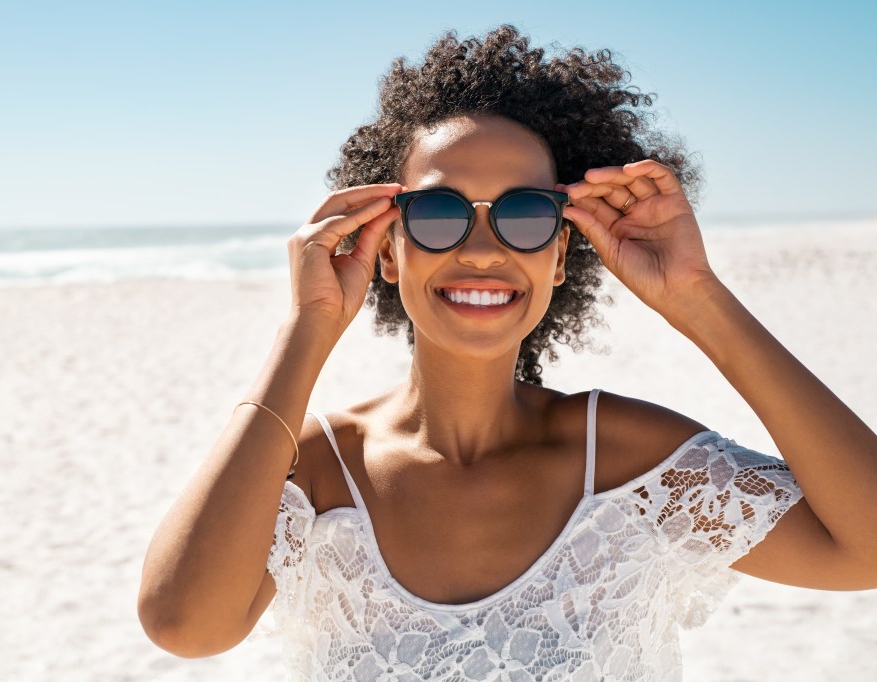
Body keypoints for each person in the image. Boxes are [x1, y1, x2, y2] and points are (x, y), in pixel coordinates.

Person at [138, 25, 877, 680]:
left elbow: (864, 548)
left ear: (561, 256)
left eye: (523, 214)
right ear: (387, 252)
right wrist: (307, 326)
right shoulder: (317, 471)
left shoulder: (629, 464)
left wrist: (696, 297)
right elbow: (185, 625)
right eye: (438, 212)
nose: (483, 250)